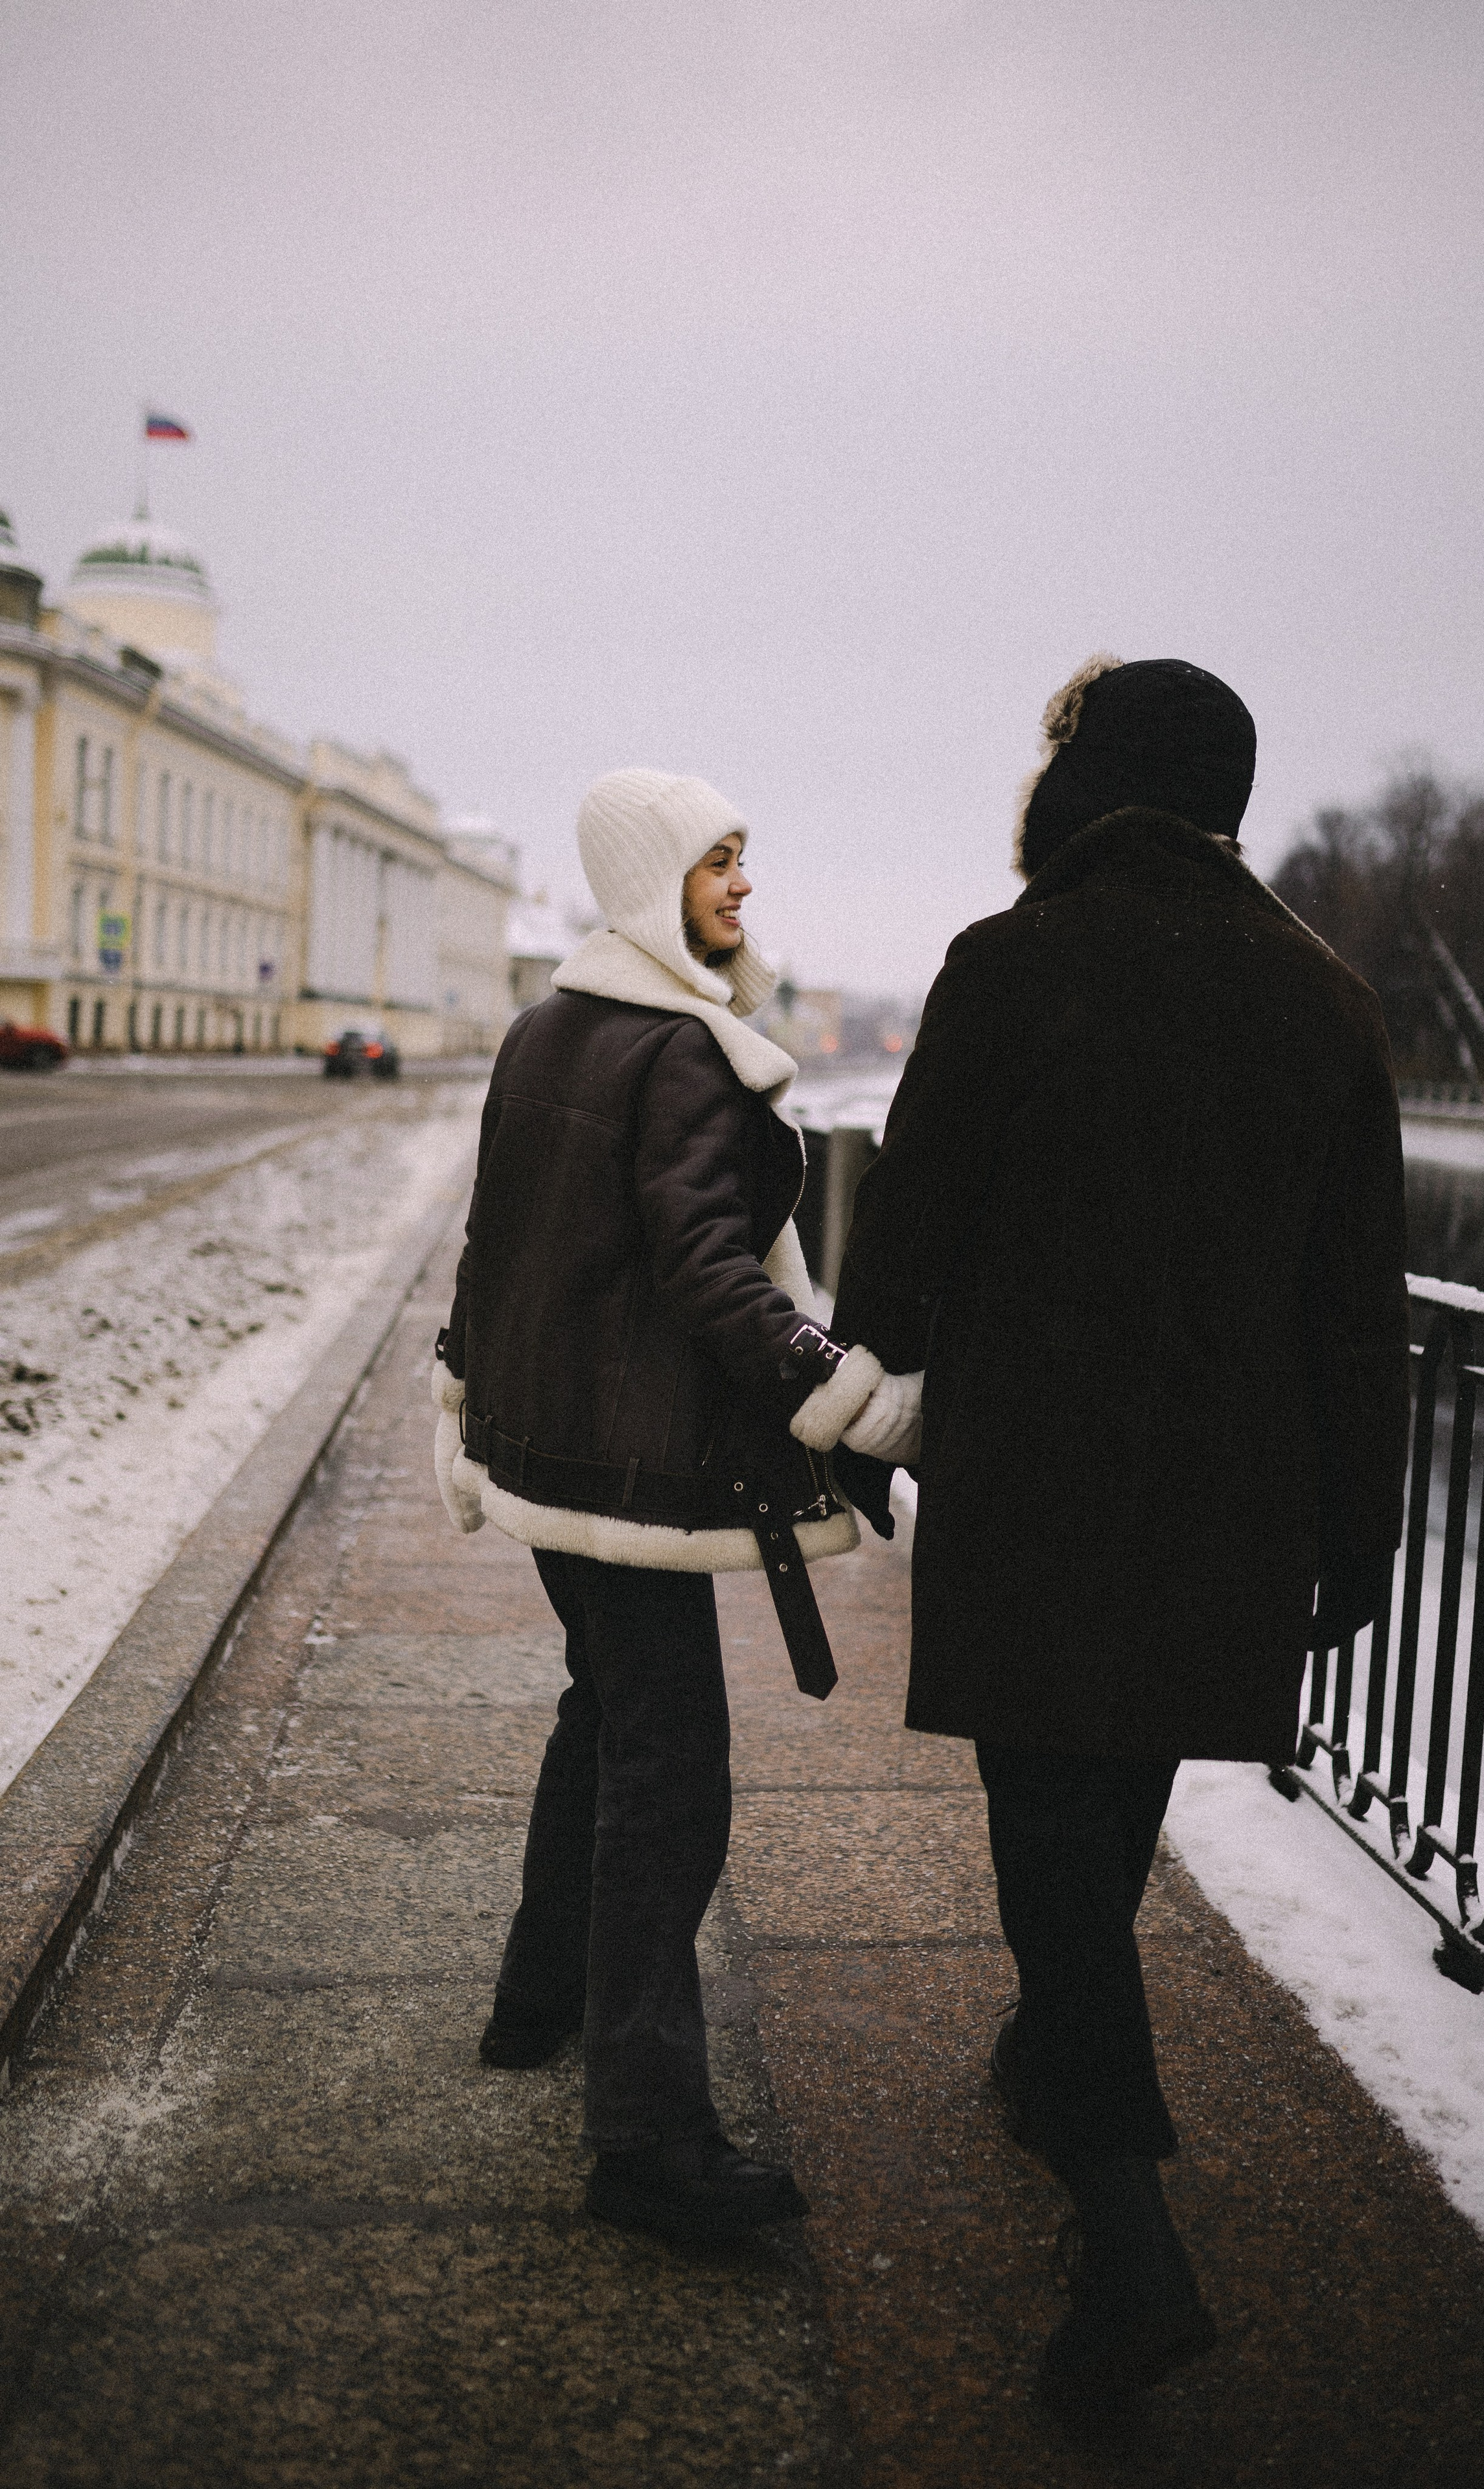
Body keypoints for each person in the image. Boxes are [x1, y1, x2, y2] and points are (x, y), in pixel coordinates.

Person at [828, 656, 1411, 2415]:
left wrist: (866, 1423)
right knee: (1115, 1802)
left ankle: (1131, 2226)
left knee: (1048, 1835)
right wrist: (1358, 1542)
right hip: (1235, 1500)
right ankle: (1047, 2062)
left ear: (1093, 781)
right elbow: (1355, 1307)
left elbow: (906, 1227)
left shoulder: (1015, 964)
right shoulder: (1326, 997)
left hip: (1046, 1486)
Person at [430, 767, 916, 2250]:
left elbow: (494, 1235)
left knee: (606, 1715)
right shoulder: (683, 1054)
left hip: (548, 1447)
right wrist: (840, 1391)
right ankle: (647, 2141)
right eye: (717, 864)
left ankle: (536, 2001)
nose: (741, 887)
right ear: (653, 885)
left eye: (742, 860)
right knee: (673, 1774)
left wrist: (468, 1391)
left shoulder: (548, 1028)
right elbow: (713, 1272)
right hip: (631, 1463)